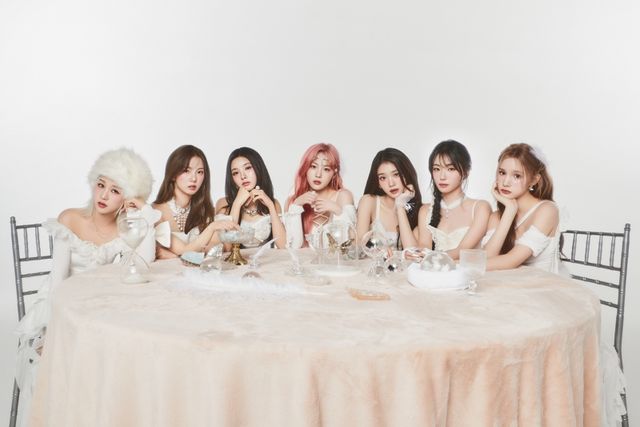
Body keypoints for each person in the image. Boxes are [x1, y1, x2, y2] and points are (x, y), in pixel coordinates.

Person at [14, 148, 159, 427]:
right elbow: (57, 282)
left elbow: (144, 262)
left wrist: (145, 215)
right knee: (59, 365)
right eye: (100, 185)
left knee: (123, 362)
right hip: (61, 309)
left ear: (127, 198)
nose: (103, 195)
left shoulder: (124, 229)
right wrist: (52, 331)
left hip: (102, 312)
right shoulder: (70, 219)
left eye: (115, 191)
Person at [483, 143, 560, 272]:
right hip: (506, 282)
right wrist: (509, 212)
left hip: (540, 283)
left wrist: (457, 265)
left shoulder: (547, 210)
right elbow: (486, 258)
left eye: (517, 176)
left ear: (534, 180)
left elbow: (511, 261)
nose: (506, 182)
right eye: (502, 173)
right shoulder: (496, 216)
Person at [153, 145, 238, 257]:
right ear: (173, 175)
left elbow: (223, 248)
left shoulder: (206, 212)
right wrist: (211, 228)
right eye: (186, 171)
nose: (194, 178)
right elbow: (186, 252)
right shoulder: (156, 213)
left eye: (199, 172)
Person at [417, 140, 491, 259]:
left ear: (465, 172)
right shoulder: (425, 211)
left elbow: (462, 251)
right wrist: (414, 254)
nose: (442, 176)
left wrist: (430, 256)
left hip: (466, 270)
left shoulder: (480, 208)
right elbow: (424, 247)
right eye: (436, 169)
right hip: (434, 269)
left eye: (451, 169)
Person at [285, 143, 355, 248]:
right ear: (305, 168)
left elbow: (348, 247)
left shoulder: (343, 196)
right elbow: (294, 247)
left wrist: (337, 210)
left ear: (334, 173)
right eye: (313, 166)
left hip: (334, 259)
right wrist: (296, 206)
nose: (318, 174)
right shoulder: (293, 202)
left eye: (326, 169)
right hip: (304, 259)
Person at [215, 147, 287, 249]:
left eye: (248, 168)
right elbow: (227, 248)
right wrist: (236, 204)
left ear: (258, 169)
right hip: (237, 259)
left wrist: (270, 206)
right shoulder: (223, 204)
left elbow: (283, 246)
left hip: (265, 259)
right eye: (235, 173)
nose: (243, 176)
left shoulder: (273, 203)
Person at [356, 148, 422, 250]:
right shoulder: (369, 202)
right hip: (371, 260)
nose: (391, 183)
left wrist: (400, 206)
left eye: (396, 174)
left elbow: (412, 251)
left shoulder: (419, 211)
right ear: (378, 183)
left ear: (407, 175)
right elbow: (360, 246)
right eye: (383, 178)